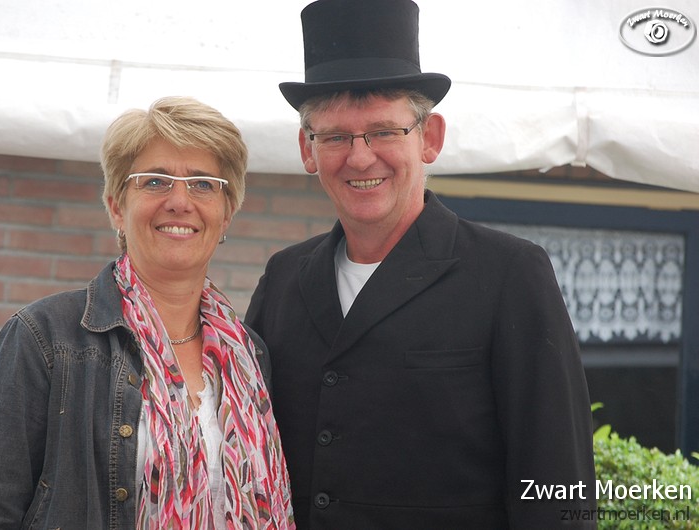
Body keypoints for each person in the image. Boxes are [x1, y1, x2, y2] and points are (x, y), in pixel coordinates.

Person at [245, 0, 597, 528]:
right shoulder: (283, 279)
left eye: (385, 131)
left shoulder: (510, 274)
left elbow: (557, 486)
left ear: (430, 138)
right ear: (307, 149)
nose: (360, 157)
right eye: (335, 136)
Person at [0, 96, 294, 529]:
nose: (180, 201)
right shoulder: (43, 338)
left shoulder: (250, 355)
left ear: (226, 214)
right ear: (117, 206)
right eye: (155, 181)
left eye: (203, 184)